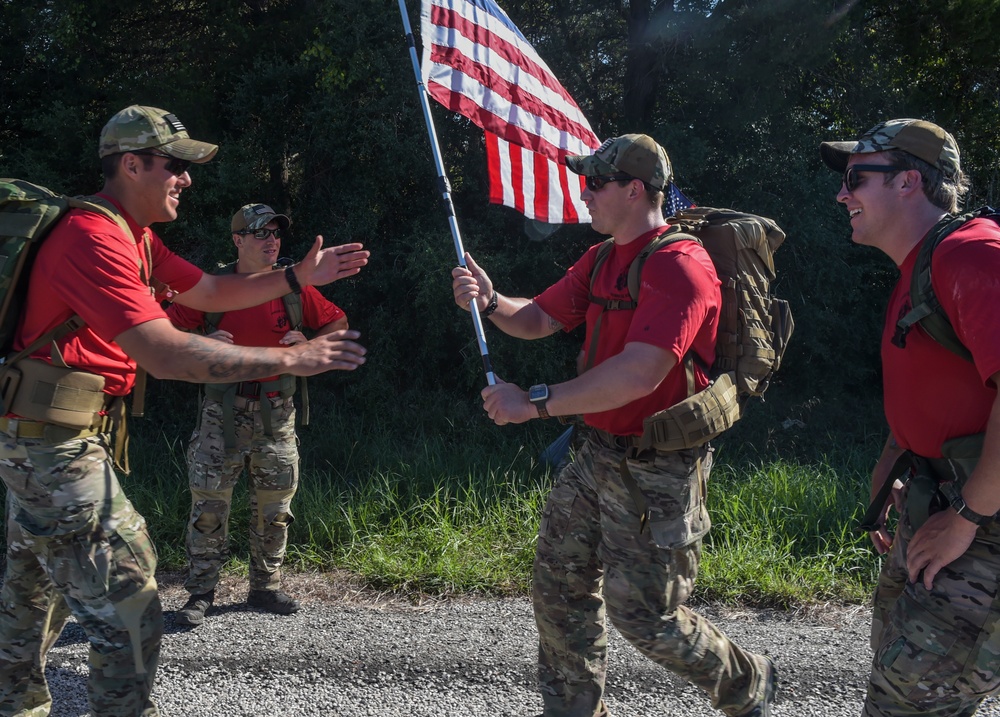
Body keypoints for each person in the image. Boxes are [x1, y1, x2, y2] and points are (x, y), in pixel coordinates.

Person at [0, 105, 369, 717]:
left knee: (30, 596)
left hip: (48, 437)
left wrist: (298, 277)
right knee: (130, 602)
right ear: (132, 164)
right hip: (51, 444)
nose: (187, 179)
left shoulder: (135, 237)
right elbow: (165, 353)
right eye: (176, 166)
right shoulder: (92, 237)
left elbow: (211, 290)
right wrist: (289, 360)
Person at [451, 134, 775, 717]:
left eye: (595, 183)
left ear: (635, 189)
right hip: (595, 453)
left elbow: (640, 374)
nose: (585, 192)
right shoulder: (602, 258)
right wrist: (491, 298)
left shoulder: (680, 264)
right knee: (559, 592)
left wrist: (536, 402)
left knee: (647, 617)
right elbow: (539, 318)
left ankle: (745, 683)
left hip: (659, 466)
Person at [820, 118, 1000, 717]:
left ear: (908, 182)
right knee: (897, 688)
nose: (842, 194)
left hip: (979, 523)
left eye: (855, 179)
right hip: (934, 507)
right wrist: (889, 467)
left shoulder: (970, 256)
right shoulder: (919, 267)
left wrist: (968, 515)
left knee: (909, 704)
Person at [167, 203, 349, 625]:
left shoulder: (294, 288)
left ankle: (264, 588)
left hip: (276, 412)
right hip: (221, 413)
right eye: (261, 233)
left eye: (276, 233)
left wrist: (307, 344)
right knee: (209, 506)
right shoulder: (212, 287)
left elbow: (337, 325)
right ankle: (200, 594)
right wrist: (205, 339)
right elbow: (165, 329)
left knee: (275, 508)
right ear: (238, 240)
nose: (272, 241)